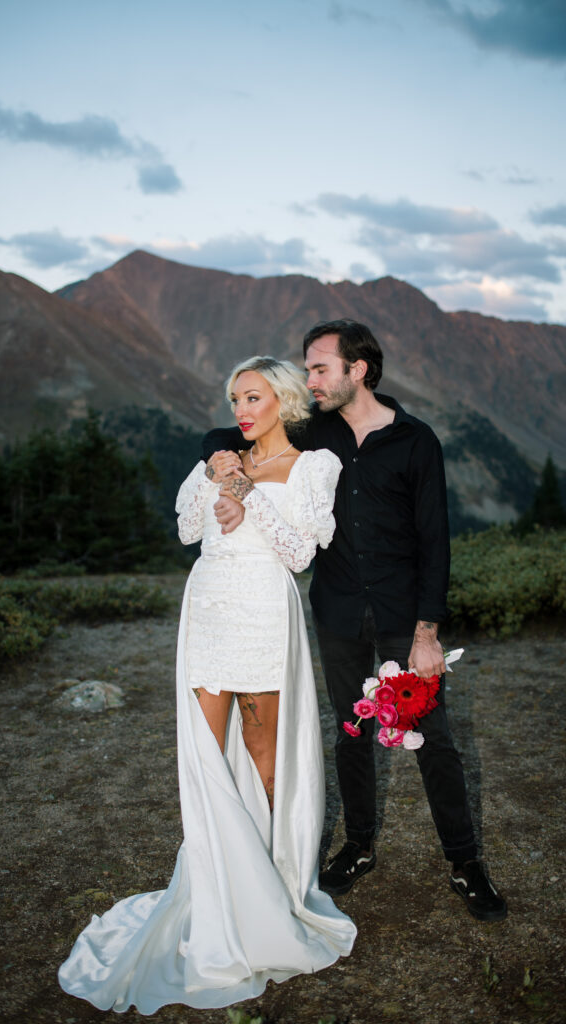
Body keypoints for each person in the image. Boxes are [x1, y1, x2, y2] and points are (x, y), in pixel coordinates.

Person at [58, 356, 356, 1014]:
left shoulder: (314, 467)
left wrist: (249, 498)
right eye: (233, 399)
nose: (241, 409)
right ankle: (215, 887)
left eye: (252, 397)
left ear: (282, 399)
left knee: (264, 747)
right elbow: (189, 531)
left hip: (266, 608)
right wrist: (214, 482)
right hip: (212, 605)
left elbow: (303, 553)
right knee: (204, 749)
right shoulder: (219, 457)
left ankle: (274, 881)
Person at [204, 320, 507, 923]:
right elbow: (233, 429)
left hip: (402, 616)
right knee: (350, 731)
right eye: (309, 370)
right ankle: (359, 846)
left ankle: (465, 861)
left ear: (357, 370)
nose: (310, 380)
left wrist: (428, 634)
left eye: (320, 369)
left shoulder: (417, 442)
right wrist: (220, 455)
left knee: (433, 738)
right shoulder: (313, 432)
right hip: (338, 609)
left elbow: (434, 541)